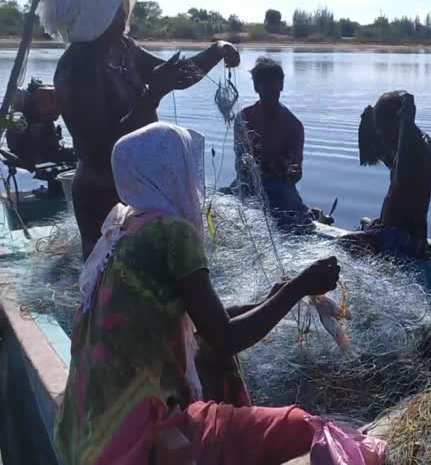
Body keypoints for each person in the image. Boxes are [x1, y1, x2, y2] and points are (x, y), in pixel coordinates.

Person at [54, 122, 341, 465]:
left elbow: (199, 322)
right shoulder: (171, 233)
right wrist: (299, 287)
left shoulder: (123, 225)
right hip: (136, 440)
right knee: (303, 428)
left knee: (207, 356)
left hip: (85, 433)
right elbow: (224, 337)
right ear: (173, 170)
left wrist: (271, 298)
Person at [39, 0, 241, 259]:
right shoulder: (75, 68)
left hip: (141, 189)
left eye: (121, 8)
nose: (123, 16)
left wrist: (218, 49)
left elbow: (179, 76)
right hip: (101, 195)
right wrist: (151, 97)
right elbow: (103, 150)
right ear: (91, 13)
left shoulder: (124, 48)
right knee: (111, 282)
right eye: (113, 10)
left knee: (151, 281)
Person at [339, 91, 431, 258]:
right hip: (390, 230)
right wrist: (367, 124)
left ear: (397, 122)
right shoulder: (401, 145)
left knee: (342, 246)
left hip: (405, 239)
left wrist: (407, 123)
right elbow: (380, 157)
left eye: (382, 129)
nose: (381, 135)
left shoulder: (418, 144)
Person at [231, 57, 322, 231]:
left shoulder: (293, 125)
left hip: (280, 189)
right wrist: (259, 170)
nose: (269, 91)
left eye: (274, 86)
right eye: (264, 86)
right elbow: (240, 163)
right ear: (256, 87)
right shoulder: (244, 119)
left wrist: (291, 171)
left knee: (293, 215)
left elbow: (296, 171)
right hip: (247, 185)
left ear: (281, 86)